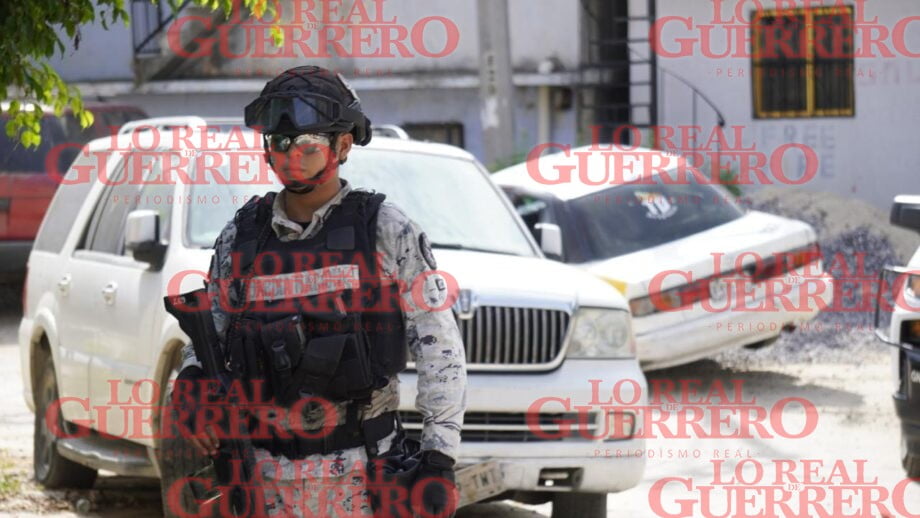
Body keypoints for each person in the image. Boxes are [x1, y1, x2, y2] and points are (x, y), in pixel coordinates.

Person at [175, 65, 467, 517]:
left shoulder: (384, 229)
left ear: (342, 145)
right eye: (279, 145)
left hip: (363, 478)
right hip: (262, 479)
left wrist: (438, 457)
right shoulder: (243, 236)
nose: (292, 158)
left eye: (308, 147)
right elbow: (210, 335)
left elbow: (439, 349)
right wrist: (190, 383)